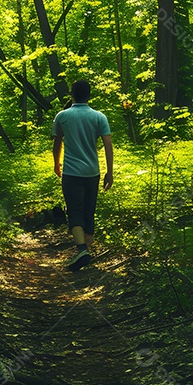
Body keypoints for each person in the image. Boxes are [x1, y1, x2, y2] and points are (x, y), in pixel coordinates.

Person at [52, 79, 113, 271]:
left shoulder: (62, 116)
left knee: (74, 211)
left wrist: (56, 163)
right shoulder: (99, 117)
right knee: (88, 210)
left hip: (71, 172)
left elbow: (57, 143)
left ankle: (82, 250)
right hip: (92, 172)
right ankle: (85, 252)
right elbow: (108, 146)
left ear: (72, 94)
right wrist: (109, 172)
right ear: (89, 95)